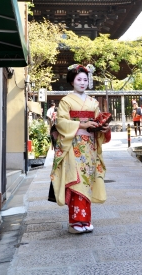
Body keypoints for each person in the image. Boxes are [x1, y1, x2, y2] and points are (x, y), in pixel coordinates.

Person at [50, 63, 111, 234]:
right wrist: (82, 124)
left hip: (90, 146)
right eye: (79, 79)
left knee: (87, 181)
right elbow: (61, 122)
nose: (82, 82)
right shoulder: (66, 101)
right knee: (76, 179)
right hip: (73, 144)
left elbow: (99, 120)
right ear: (72, 81)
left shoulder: (93, 102)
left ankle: (86, 220)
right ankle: (75, 221)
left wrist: (104, 128)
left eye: (85, 79)